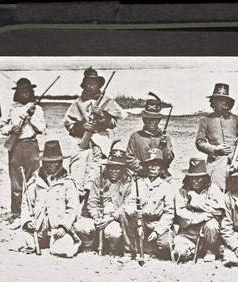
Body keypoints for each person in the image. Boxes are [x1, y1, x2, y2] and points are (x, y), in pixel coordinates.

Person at [63, 67, 127, 211]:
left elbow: (113, 123)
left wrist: (103, 116)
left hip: (100, 140)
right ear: (84, 85)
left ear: (99, 85)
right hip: (82, 140)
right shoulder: (77, 103)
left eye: (94, 84)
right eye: (89, 84)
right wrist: (83, 126)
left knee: (98, 170)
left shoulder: (107, 101)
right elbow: (69, 126)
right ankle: (76, 202)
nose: (92, 86)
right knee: (78, 168)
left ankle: (93, 203)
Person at [16, 140, 81, 257]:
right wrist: (27, 222)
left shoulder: (68, 183)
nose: (52, 165)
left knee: (62, 249)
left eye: (55, 162)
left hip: (57, 230)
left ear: (60, 162)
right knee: (19, 242)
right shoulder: (34, 181)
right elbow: (26, 204)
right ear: (43, 163)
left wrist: (63, 227)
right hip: (37, 229)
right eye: (48, 162)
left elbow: (72, 208)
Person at [0, 78, 46, 228]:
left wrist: (30, 117)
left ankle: (32, 213)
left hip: (31, 145)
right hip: (15, 146)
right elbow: (1, 126)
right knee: (16, 182)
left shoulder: (37, 109)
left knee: (33, 180)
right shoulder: (12, 108)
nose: (25, 94)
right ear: (17, 93)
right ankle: (17, 214)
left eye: (27, 91)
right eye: (22, 91)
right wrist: (12, 128)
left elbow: (42, 129)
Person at [74, 147, 136, 255]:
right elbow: (92, 202)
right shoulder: (99, 180)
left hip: (115, 220)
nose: (114, 171)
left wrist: (111, 218)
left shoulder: (129, 183)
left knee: (114, 233)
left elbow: (127, 205)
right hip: (98, 217)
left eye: (117, 168)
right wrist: (96, 217)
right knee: (79, 226)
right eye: (111, 168)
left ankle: (113, 250)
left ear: (123, 169)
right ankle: (88, 246)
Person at [195, 83, 238, 191]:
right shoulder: (205, 120)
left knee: (236, 191)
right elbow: (199, 142)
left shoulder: (237, 119)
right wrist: (215, 149)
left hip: (236, 163)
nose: (221, 103)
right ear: (213, 102)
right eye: (218, 100)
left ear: (229, 103)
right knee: (216, 190)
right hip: (216, 164)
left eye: (224, 101)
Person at [173, 158, 225, 262]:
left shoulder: (213, 189)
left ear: (205, 178)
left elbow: (219, 211)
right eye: (191, 178)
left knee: (212, 225)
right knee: (179, 252)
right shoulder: (181, 192)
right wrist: (204, 216)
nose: (194, 181)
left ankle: (210, 248)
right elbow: (182, 215)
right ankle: (194, 250)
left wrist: (196, 202)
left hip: (208, 232)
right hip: (188, 232)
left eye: (198, 178)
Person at [134, 149, 175, 260]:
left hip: (157, 223)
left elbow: (169, 213)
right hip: (140, 221)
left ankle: (153, 249)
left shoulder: (166, 186)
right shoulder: (137, 183)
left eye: (156, 165)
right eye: (150, 165)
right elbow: (129, 203)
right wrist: (134, 213)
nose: (153, 168)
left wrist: (158, 231)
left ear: (161, 167)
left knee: (166, 246)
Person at [126, 93, 174, 177]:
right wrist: (143, 170)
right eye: (148, 119)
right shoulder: (136, 136)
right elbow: (129, 158)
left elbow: (169, 160)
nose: (151, 122)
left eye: (154, 119)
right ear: (144, 120)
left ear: (158, 121)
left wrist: (164, 147)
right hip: (141, 175)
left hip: (160, 175)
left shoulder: (165, 138)